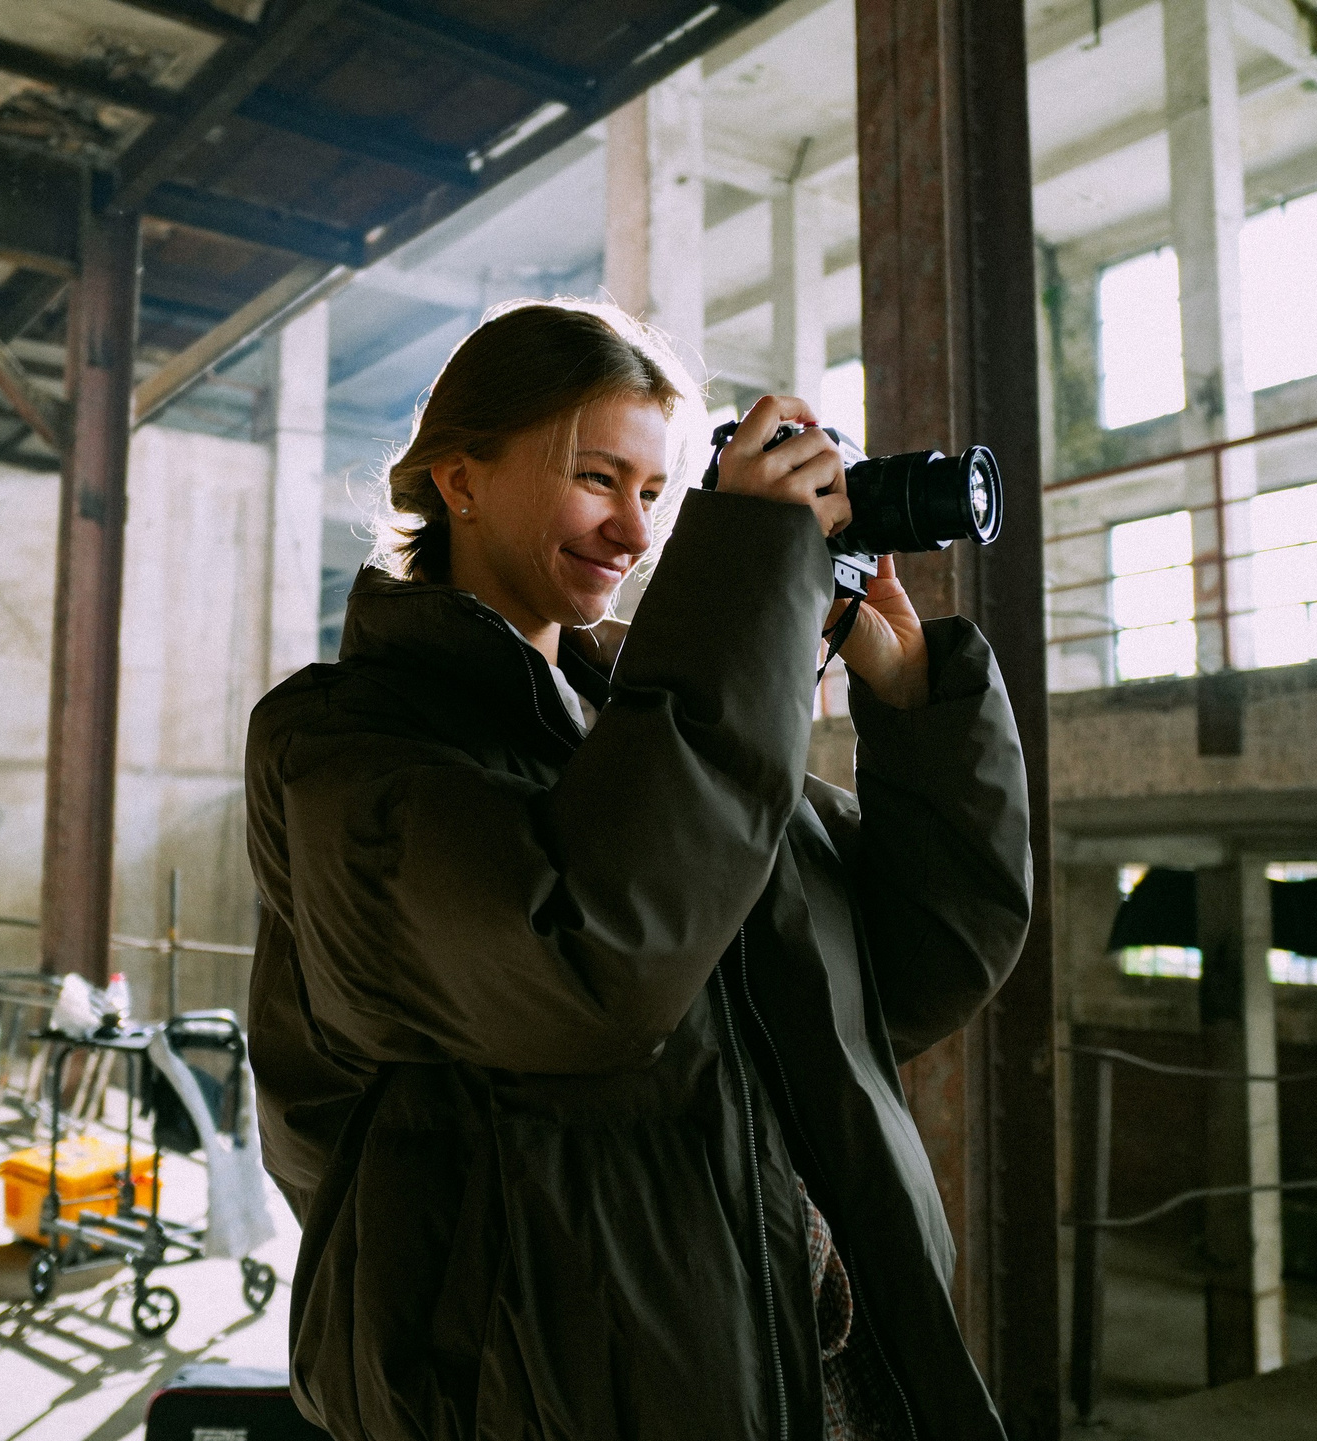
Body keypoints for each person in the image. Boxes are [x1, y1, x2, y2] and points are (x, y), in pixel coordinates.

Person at [242, 299, 1032, 1441]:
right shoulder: (347, 741)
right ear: (460, 480)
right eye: (596, 477)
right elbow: (591, 961)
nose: (630, 530)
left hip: (802, 1367)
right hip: (538, 1396)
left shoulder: (647, 724)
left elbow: (918, 968)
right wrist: (743, 598)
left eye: (657, 496)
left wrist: (913, 699)